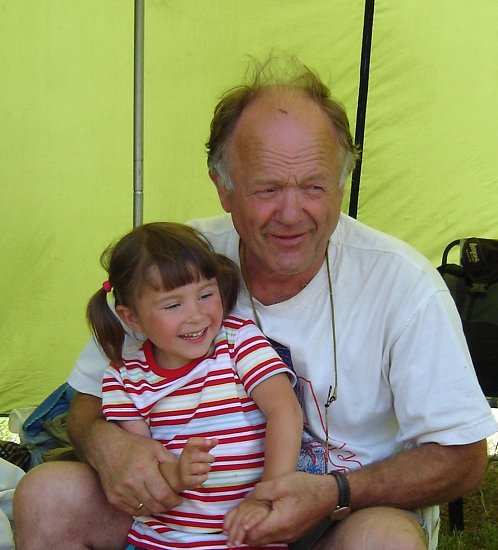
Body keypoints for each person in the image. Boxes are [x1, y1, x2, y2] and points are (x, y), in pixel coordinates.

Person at [14, 56, 498, 550]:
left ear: (341, 184)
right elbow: (87, 402)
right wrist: (107, 446)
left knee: (385, 540)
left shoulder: (401, 283)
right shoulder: (180, 263)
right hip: (180, 514)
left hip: (338, 516)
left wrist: (337, 491)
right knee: (48, 496)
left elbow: (463, 456)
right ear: (223, 189)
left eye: (314, 186)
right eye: (267, 188)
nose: (291, 213)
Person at [87, 221, 302, 549]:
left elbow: (285, 412)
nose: (197, 315)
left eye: (206, 294)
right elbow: (142, 469)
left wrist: (266, 498)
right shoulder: (124, 379)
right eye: (173, 305)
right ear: (132, 318)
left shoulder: (238, 340)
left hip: (250, 533)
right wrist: (177, 474)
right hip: (164, 540)